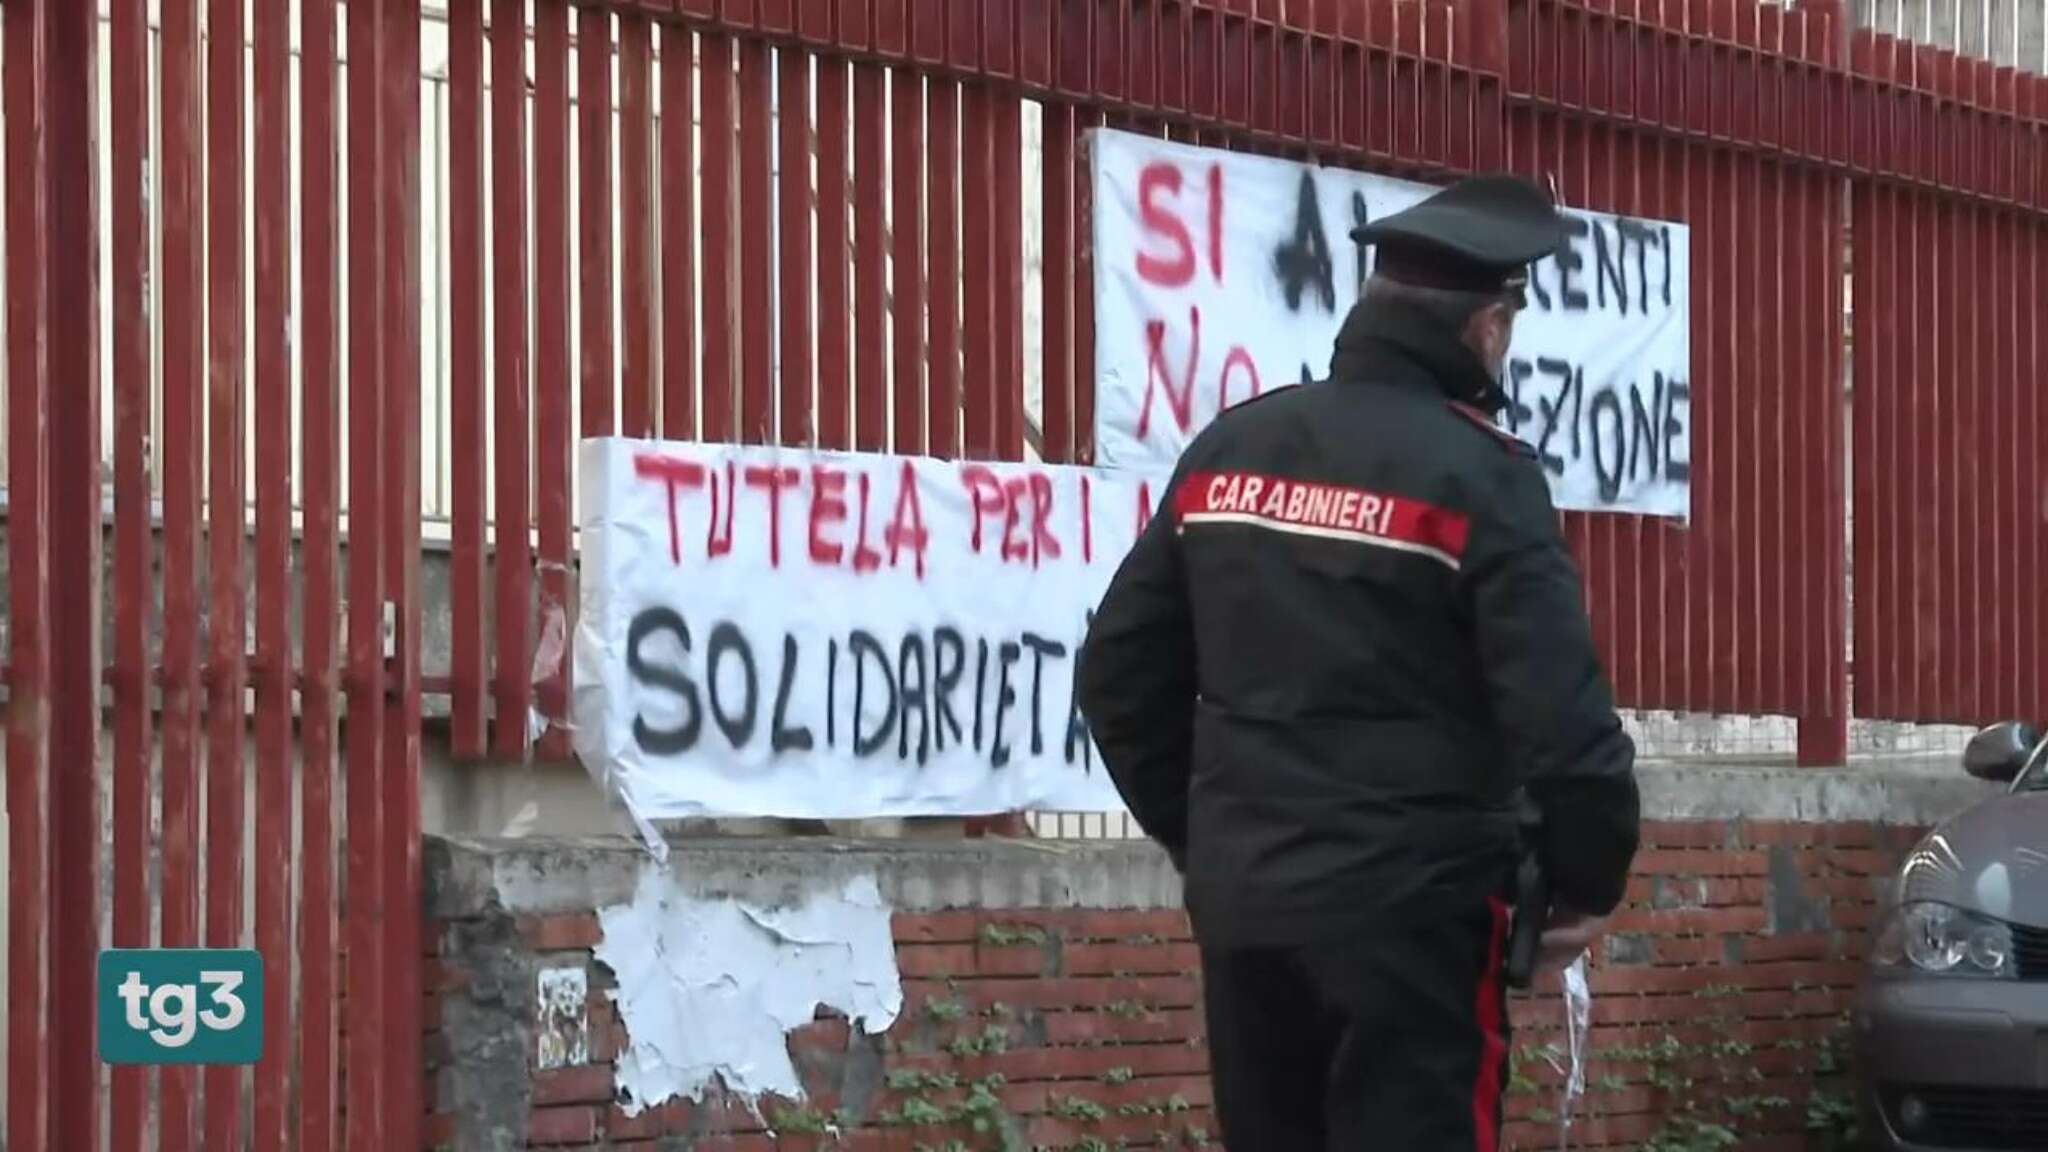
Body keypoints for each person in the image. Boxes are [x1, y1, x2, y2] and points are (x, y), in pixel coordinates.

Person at [1075, 173, 1641, 1152]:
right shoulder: (1479, 479)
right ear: (1485, 327)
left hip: (1249, 910)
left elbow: (1119, 677)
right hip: (1414, 923)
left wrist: (1214, 838)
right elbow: (1563, 725)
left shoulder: (1228, 448)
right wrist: (1586, 882)